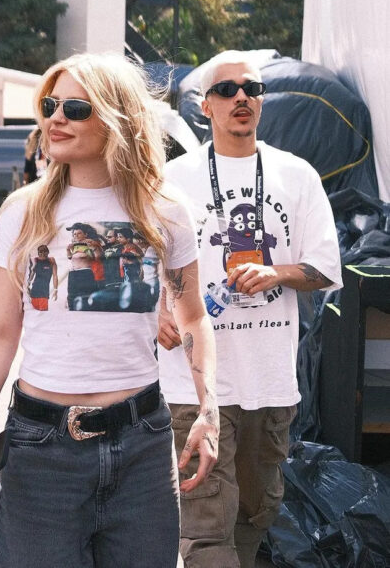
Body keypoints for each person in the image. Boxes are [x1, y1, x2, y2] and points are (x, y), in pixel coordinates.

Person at [0, 52, 219, 568]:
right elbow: (2, 331)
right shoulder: (22, 212)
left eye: (76, 108)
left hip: (141, 446)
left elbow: (192, 317)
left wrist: (209, 412)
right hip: (41, 448)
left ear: (117, 118)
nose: (56, 118)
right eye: (50, 105)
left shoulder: (165, 210)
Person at [158, 50, 342, 568]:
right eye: (226, 90)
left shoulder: (296, 175)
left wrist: (277, 273)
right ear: (205, 106)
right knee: (204, 526)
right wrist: (156, 312)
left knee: (257, 510)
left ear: (262, 102)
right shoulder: (172, 178)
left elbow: (326, 268)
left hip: (268, 380)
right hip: (193, 384)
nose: (241, 97)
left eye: (251, 89)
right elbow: (143, 260)